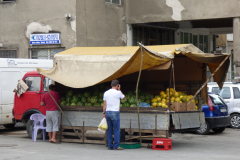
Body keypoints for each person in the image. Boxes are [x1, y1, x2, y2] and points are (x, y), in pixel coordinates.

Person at [103, 79, 125, 150]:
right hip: (115, 112)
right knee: (116, 130)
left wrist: (104, 113)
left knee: (109, 130)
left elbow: (104, 104)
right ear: (118, 85)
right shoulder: (118, 93)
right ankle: (116, 146)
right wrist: (119, 90)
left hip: (108, 112)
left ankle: (109, 146)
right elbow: (124, 98)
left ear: (111, 85)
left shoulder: (106, 93)